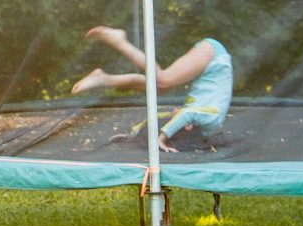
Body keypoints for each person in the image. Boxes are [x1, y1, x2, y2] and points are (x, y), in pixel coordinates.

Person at [72, 27, 232, 152]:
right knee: (163, 80)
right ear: (189, 128)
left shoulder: (195, 120)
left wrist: (132, 134)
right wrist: (161, 139)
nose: (180, 122)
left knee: (155, 87)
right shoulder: (210, 120)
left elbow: (160, 116)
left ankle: (104, 79)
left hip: (210, 59)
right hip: (214, 55)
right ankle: (119, 40)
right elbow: (186, 115)